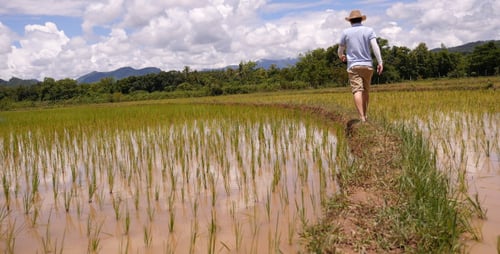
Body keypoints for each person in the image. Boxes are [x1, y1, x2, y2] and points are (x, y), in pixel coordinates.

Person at [338, 10, 383, 122]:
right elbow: (375, 46)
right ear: (361, 19)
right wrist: (380, 62)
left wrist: (341, 56)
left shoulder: (346, 32)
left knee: (357, 90)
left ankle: (362, 117)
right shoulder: (369, 31)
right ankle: (365, 115)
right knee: (366, 91)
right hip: (367, 65)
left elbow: (340, 49)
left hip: (353, 66)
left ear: (350, 21)